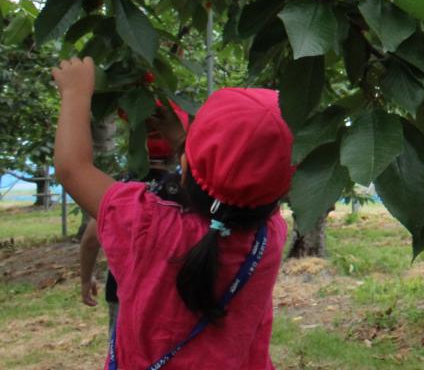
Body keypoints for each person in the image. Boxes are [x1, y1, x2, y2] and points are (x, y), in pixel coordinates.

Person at [53, 57, 295, 368]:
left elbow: (73, 169)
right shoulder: (270, 236)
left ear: (184, 166)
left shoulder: (146, 223)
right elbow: (233, 179)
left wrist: (75, 92)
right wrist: (181, 138)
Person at [80, 99, 190, 332]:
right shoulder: (186, 190)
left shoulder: (122, 189)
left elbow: (91, 239)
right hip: (169, 293)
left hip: (123, 292)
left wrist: (85, 278)